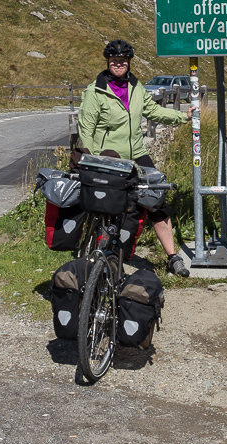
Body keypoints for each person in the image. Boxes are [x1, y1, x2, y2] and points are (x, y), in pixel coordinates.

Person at [78, 39, 191, 277]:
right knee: (110, 207)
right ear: (107, 62)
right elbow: (86, 128)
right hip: (108, 158)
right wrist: (89, 161)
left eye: (122, 60)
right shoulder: (95, 91)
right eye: (114, 60)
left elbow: (153, 110)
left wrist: (182, 117)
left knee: (156, 199)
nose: (118, 64)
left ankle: (173, 257)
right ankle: (103, 255)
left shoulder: (136, 86)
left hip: (137, 154)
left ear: (129, 62)